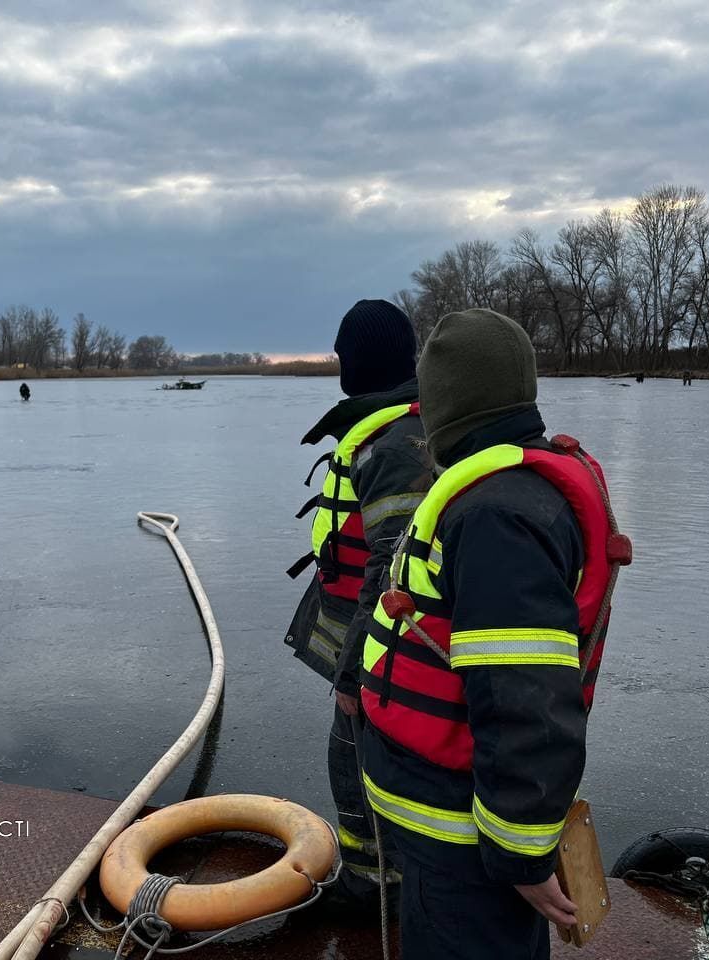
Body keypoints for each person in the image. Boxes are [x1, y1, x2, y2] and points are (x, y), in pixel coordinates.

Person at [356, 308, 629, 960]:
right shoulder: (510, 494)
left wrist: (521, 850)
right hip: (449, 826)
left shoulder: (494, 518)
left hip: (460, 839)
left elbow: (527, 695)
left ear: (448, 407)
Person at [284, 299, 431, 910]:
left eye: (345, 351)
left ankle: (371, 885)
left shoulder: (393, 445)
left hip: (379, 650)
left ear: (361, 360)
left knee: (353, 761)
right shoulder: (401, 424)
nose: (340, 360)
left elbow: (393, 568)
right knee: (372, 759)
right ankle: (390, 874)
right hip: (376, 645)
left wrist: (354, 672)